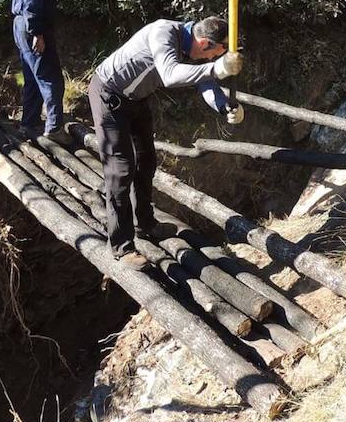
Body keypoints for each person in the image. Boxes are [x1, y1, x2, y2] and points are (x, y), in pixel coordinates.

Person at [89, 16, 244, 268]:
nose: (215, 57)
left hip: (136, 100)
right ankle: (121, 246)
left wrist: (223, 105)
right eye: (218, 51)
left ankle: (146, 223)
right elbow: (171, 75)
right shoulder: (164, 32)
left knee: (147, 161)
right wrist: (218, 68)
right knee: (120, 170)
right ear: (204, 43)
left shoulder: (191, 47)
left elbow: (204, 81)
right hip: (108, 96)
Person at [11, 0, 74, 140]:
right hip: (32, 27)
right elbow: (32, 2)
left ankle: (29, 124)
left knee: (32, 77)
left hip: (22, 25)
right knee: (51, 78)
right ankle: (54, 129)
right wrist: (37, 33)